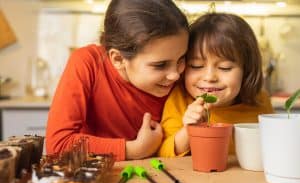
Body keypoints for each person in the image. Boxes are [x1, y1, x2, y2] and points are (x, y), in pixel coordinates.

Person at [46, 0, 189, 161]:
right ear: (118, 59)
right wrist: (134, 150)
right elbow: (58, 145)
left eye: (181, 59)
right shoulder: (88, 63)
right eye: (160, 65)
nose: (175, 75)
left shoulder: (183, 75)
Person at [158, 13, 274, 157]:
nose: (209, 77)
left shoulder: (260, 100)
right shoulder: (179, 99)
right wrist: (189, 130)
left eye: (225, 67)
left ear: (247, 70)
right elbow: (164, 154)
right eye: (196, 66)